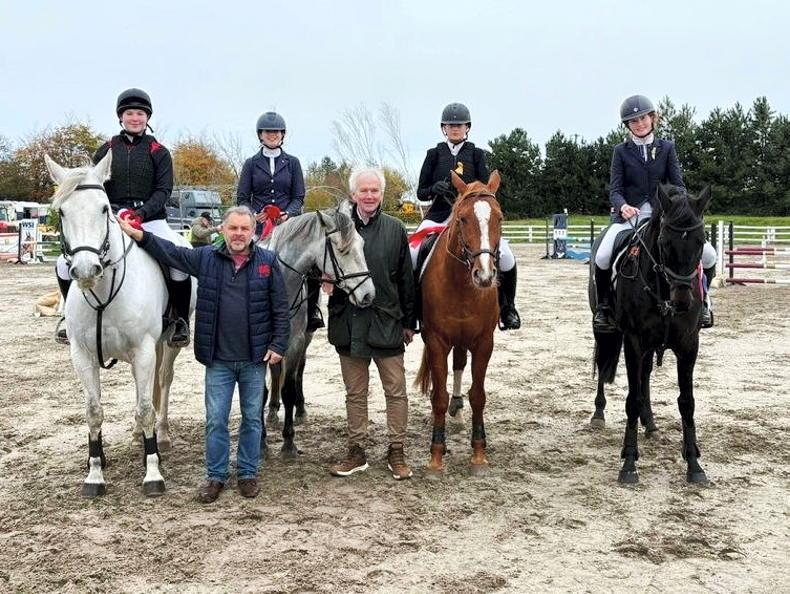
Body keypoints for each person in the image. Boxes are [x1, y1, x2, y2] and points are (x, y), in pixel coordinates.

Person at [118, 205, 290, 503]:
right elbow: (171, 253)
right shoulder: (206, 258)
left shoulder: (268, 262)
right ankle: (216, 476)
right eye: (233, 228)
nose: (238, 234)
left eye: (244, 229)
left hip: (254, 359)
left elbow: (280, 307)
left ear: (254, 231)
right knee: (215, 420)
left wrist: (278, 344)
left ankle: (247, 473)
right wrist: (140, 235)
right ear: (223, 229)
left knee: (252, 419)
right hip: (218, 359)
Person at [55, 88, 192, 347]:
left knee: (177, 262)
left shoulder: (159, 152)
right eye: (129, 113)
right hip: (113, 219)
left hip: (151, 220)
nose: (135, 118)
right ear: (121, 117)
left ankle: (179, 319)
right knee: (63, 264)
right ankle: (67, 318)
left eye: (140, 113)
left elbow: (163, 191)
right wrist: (113, 212)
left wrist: (141, 213)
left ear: (147, 117)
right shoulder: (106, 150)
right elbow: (95, 188)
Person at [593, 95, 717, 332]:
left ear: (652, 118)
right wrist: (623, 206)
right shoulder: (620, 151)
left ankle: (704, 303)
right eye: (633, 121)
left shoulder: (667, 148)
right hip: (630, 216)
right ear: (628, 125)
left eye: (643, 118)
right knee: (603, 255)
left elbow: (678, 185)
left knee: (709, 255)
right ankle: (604, 307)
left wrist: (677, 206)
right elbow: (615, 190)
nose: (639, 124)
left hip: (665, 216)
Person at [327, 167, 416, 480]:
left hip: (387, 320)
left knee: (396, 392)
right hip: (348, 322)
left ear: (381, 194)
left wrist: (409, 321)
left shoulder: (395, 228)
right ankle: (356, 451)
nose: (369, 196)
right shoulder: (338, 227)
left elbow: (406, 278)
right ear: (353, 194)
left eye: (374, 190)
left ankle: (397, 450)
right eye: (363, 191)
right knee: (355, 393)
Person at [414, 102, 520, 330]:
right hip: (439, 215)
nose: (455, 129)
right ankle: (413, 310)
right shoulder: (433, 155)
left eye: (459, 125)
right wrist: (434, 189)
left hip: (471, 219)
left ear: (467, 128)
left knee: (507, 256)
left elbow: (485, 189)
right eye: (450, 125)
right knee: (413, 253)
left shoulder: (477, 154)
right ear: (444, 128)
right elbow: (420, 192)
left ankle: (508, 308)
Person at [236, 112, 323, 332]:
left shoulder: (293, 163)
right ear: (260, 135)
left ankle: (313, 310)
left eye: (276, 132)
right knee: (239, 259)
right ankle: (238, 306)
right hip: (259, 227)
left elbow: (298, 197)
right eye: (268, 132)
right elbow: (243, 198)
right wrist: (254, 214)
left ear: (282, 135)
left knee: (311, 262)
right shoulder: (251, 164)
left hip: (288, 227)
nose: (272, 135)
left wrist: (288, 214)